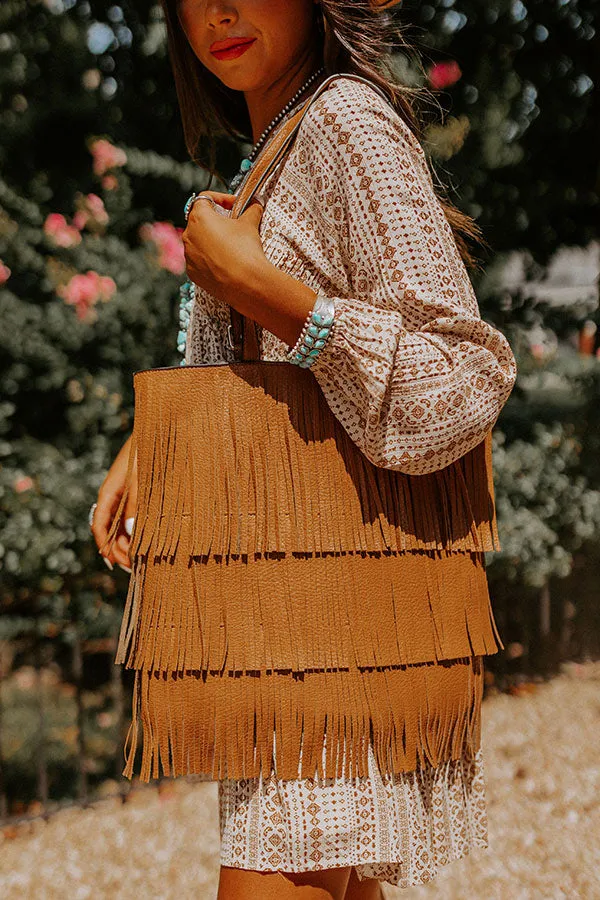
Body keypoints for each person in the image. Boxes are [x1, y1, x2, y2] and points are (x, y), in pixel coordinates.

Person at [91, 2, 517, 898]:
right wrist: (154, 441)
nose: (221, 11)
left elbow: (464, 376)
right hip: (295, 649)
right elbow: (281, 374)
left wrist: (262, 288)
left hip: (334, 640)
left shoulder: (346, 123)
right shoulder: (280, 138)